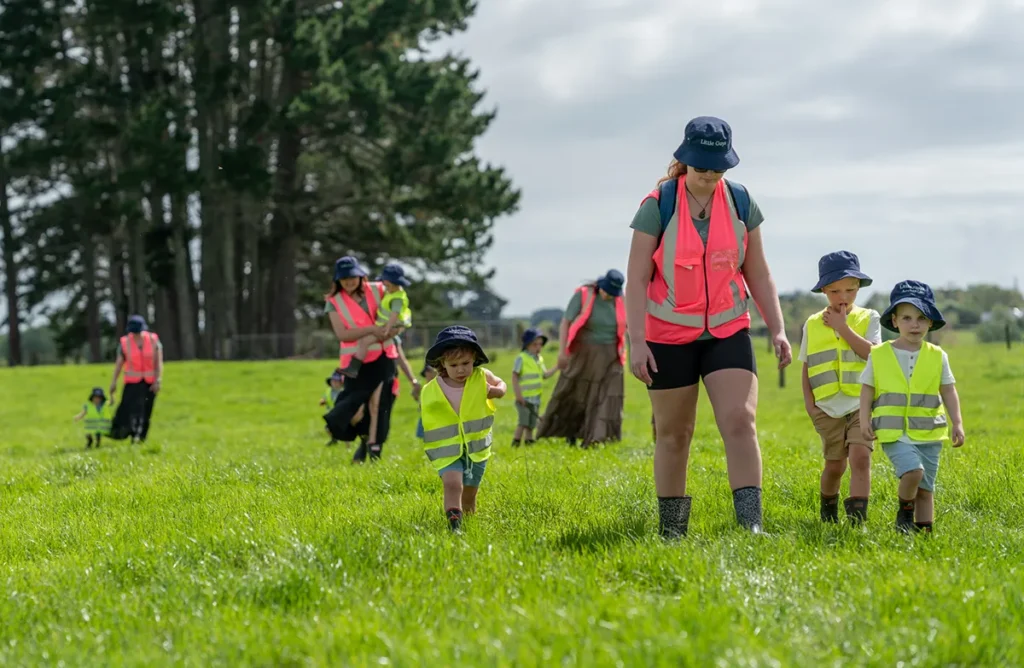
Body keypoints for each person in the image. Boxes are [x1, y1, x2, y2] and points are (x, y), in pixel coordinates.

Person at [625, 116, 792, 537]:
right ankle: (672, 532)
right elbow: (637, 279)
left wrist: (777, 328)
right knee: (674, 434)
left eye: (718, 168)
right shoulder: (658, 204)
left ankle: (751, 526)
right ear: (685, 160)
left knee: (739, 420)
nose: (710, 175)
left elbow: (758, 272)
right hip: (667, 336)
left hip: (728, 330)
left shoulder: (741, 202)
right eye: (702, 167)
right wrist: (637, 342)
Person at [860, 280, 965, 534]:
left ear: (930, 322)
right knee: (913, 472)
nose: (914, 325)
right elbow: (867, 389)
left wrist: (957, 422)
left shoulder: (938, 355)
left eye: (921, 318)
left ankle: (924, 535)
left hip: (929, 434)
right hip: (893, 433)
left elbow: (948, 390)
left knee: (926, 490)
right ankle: (905, 515)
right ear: (894, 321)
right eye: (907, 318)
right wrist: (864, 420)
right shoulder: (879, 354)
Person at [799, 251, 881, 524]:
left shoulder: (869, 317)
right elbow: (806, 367)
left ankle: (858, 522)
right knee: (835, 466)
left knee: (861, 458)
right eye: (835, 291)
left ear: (859, 287)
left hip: (861, 405)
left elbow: (873, 355)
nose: (843, 297)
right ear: (823, 290)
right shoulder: (812, 324)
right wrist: (810, 406)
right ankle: (828, 514)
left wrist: (843, 328)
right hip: (827, 408)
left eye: (850, 290)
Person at [419, 326, 507, 532]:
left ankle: (468, 524)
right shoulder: (433, 389)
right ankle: (454, 527)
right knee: (453, 484)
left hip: (476, 448)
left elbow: (501, 384)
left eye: (465, 363)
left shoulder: (481, 376)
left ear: (474, 358)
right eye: (454, 365)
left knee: (469, 493)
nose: (460, 370)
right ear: (442, 363)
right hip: (447, 448)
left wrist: (496, 391)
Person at [535, 270, 627, 448]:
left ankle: (596, 438)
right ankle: (570, 432)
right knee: (577, 392)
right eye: (606, 291)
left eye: (612, 293)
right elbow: (566, 322)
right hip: (583, 352)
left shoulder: (620, 300)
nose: (608, 296)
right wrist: (562, 352)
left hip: (611, 355)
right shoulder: (584, 295)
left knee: (607, 396)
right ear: (601, 285)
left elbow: (629, 327)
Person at [322, 255, 401, 461]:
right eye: (344, 278)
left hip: (383, 356)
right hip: (355, 363)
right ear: (337, 280)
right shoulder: (333, 302)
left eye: (353, 277)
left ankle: (374, 448)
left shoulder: (379, 289)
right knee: (353, 407)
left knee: (379, 406)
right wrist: (372, 330)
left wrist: (392, 330)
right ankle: (363, 438)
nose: (349, 281)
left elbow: (400, 307)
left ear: (360, 276)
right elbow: (342, 334)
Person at [340, 263, 412, 379]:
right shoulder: (392, 293)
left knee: (365, 342)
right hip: (385, 326)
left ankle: (353, 368)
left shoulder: (397, 298)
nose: (384, 285)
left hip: (388, 327)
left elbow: (394, 314)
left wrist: (387, 329)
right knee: (394, 353)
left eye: (387, 283)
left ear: (394, 282)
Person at [109, 315, 163, 444]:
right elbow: (119, 364)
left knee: (146, 410)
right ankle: (129, 433)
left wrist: (158, 380)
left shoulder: (154, 341)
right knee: (129, 409)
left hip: (149, 383)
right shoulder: (124, 343)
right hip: (132, 383)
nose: (136, 335)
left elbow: (158, 363)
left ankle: (141, 437)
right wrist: (114, 382)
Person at [512, 327, 559, 446]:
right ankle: (516, 442)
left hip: (535, 398)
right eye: (535, 344)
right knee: (523, 422)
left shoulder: (539, 359)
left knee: (531, 424)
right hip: (524, 398)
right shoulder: (521, 358)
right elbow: (515, 377)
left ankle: (529, 442)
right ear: (527, 345)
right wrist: (518, 396)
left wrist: (557, 367)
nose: (538, 347)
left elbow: (544, 375)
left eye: (540, 344)